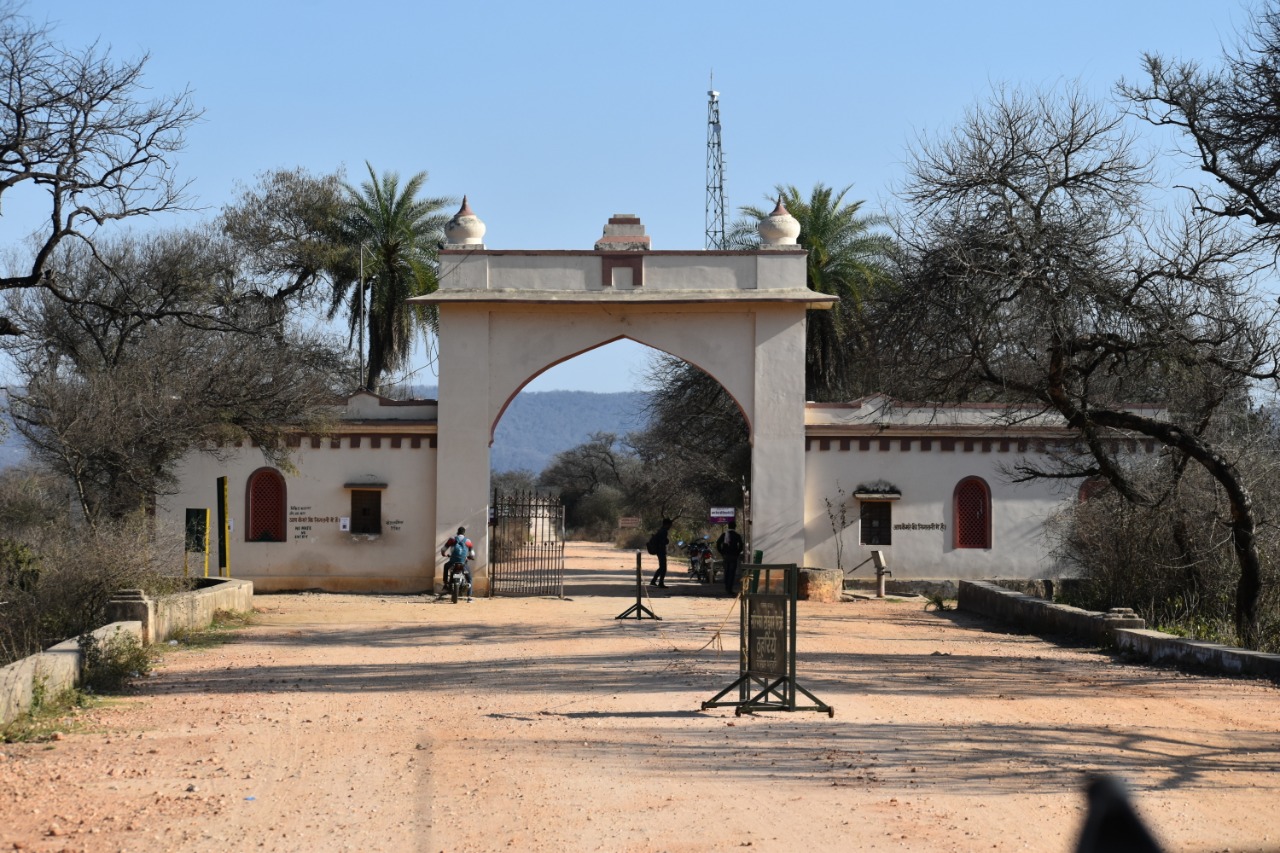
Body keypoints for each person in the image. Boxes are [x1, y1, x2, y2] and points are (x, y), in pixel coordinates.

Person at [439, 526, 475, 602]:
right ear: (464, 533)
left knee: (446, 566)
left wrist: (443, 554)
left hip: (453, 561)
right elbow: (472, 553)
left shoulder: (452, 539)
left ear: (457, 532)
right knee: (469, 579)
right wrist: (470, 557)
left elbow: (443, 549)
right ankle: (469, 597)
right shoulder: (468, 541)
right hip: (463, 562)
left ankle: (445, 584)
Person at [716, 520, 745, 596]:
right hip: (733, 556)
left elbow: (718, 543)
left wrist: (722, 552)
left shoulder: (724, 535)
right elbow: (741, 546)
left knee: (726, 571)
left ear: (728, 526)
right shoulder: (737, 535)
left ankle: (726, 587)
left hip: (726, 556)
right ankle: (730, 589)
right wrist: (737, 553)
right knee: (732, 573)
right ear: (735, 527)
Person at [648, 517, 673, 588]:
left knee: (661, 567)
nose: (670, 527)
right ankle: (660, 582)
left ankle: (654, 581)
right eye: (670, 525)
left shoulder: (660, 530)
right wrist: (666, 541)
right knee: (663, 568)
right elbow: (663, 541)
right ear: (667, 524)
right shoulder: (664, 531)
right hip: (661, 551)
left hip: (659, 551)